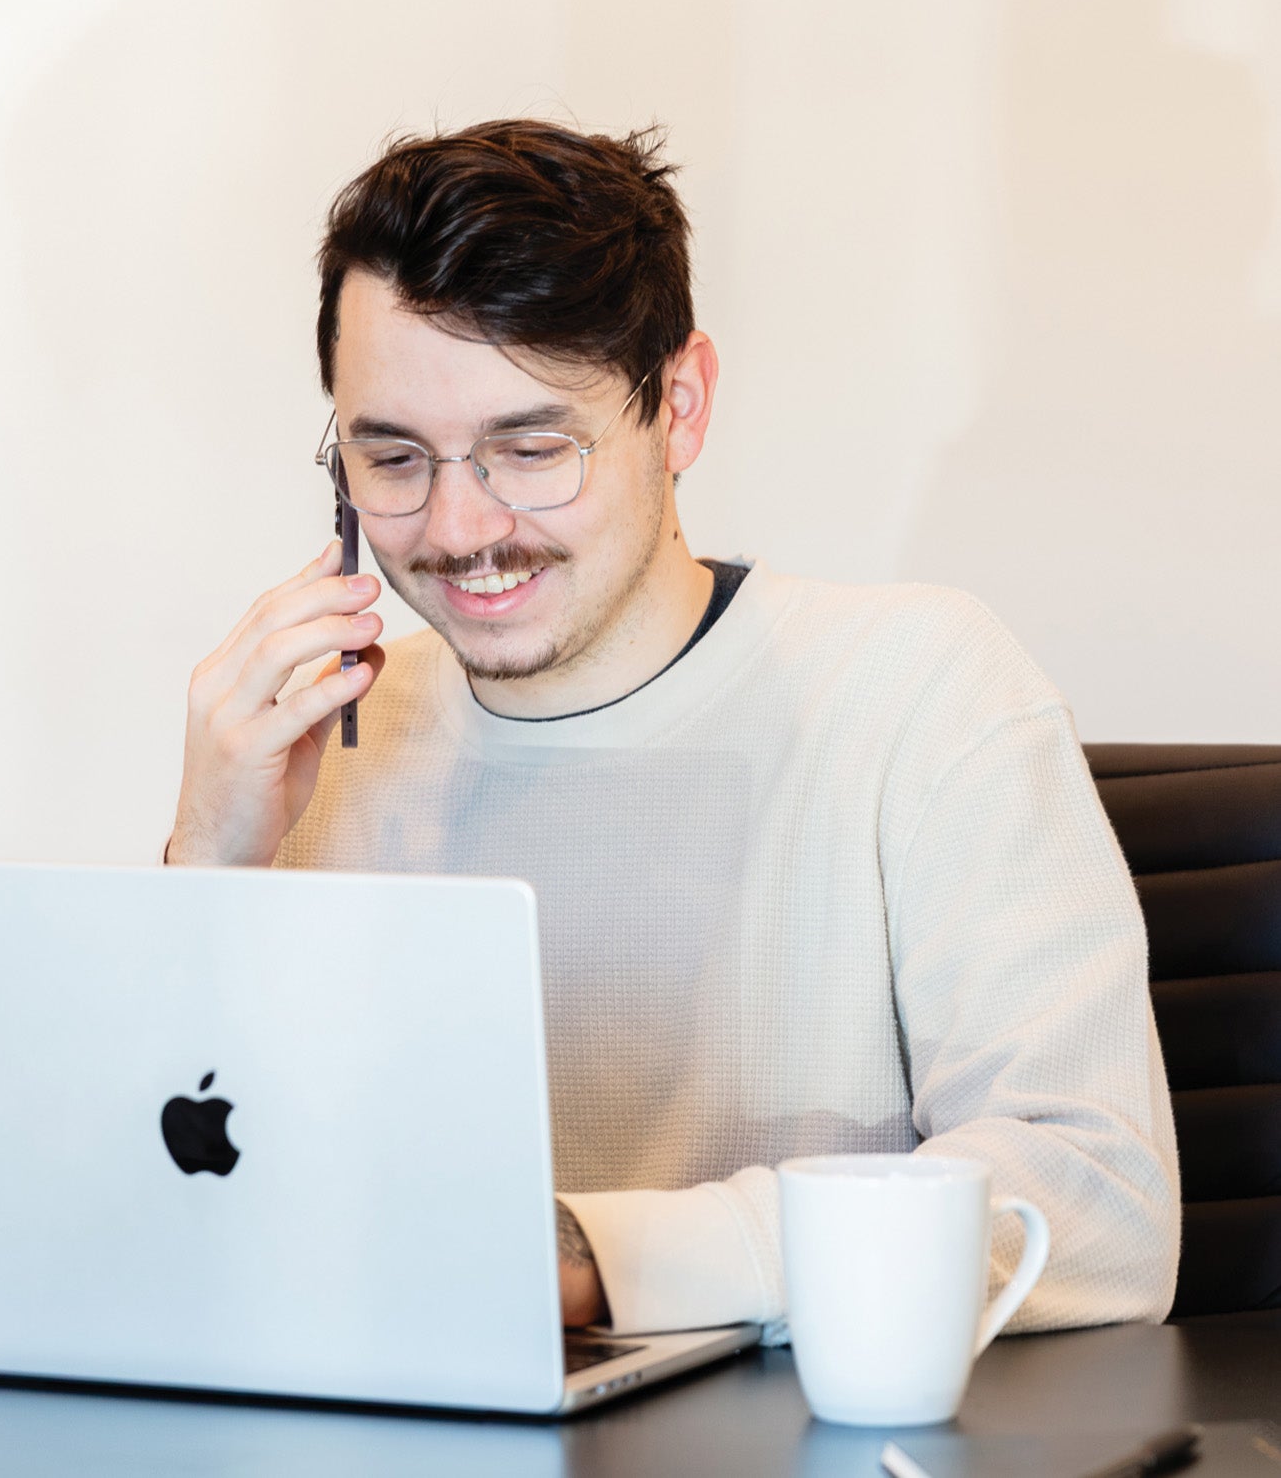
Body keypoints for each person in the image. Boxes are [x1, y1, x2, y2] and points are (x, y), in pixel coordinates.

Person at [166, 119, 1180, 1340]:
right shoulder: (316, 745)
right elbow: (182, 1219)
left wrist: (598, 1263)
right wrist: (205, 869)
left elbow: (1100, 1205)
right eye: (393, 459)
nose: (457, 528)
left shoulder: (921, 690)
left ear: (681, 406)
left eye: (531, 448)